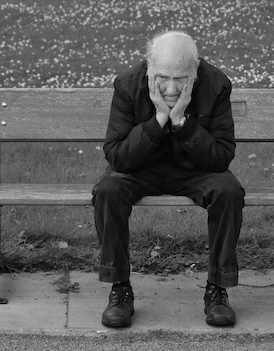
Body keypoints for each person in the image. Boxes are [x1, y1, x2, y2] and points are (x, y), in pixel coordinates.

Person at [91, 30, 245, 328]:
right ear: (149, 67)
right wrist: (160, 119)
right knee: (108, 189)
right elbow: (118, 156)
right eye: (162, 77)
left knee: (228, 191)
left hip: (195, 170)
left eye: (182, 78)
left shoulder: (216, 84)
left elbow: (221, 156)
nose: (172, 89)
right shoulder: (127, 85)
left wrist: (181, 123)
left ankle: (217, 289)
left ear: (196, 69)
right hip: (141, 169)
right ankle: (120, 288)